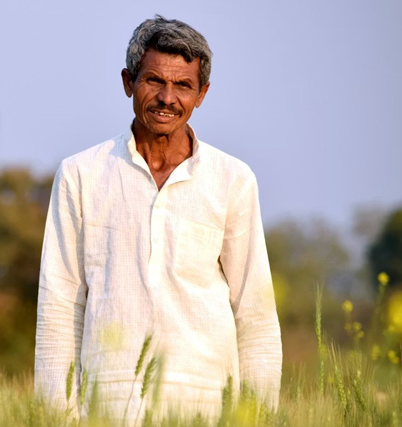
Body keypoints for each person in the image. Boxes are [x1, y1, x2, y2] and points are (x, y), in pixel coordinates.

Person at [34, 15, 282, 421]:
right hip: (108, 408)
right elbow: (59, 309)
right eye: (154, 81)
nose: (168, 97)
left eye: (183, 85)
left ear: (201, 94)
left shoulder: (233, 179)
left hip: (207, 407)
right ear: (128, 82)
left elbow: (255, 316)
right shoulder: (81, 174)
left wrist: (257, 416)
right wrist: (58, 415)